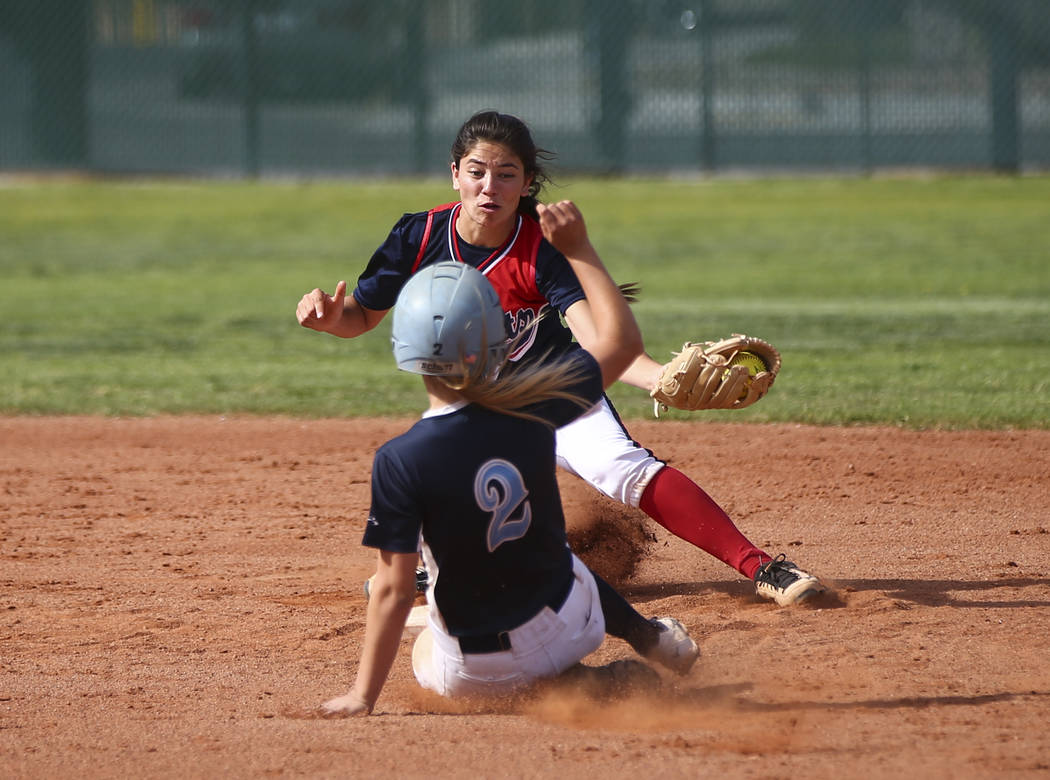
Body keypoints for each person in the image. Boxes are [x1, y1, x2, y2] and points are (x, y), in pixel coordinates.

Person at [296, 110, 823, 608]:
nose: (489, 186)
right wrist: (327, 317)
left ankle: (761, 567)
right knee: (430, 474)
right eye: (477, 171)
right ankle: (452, 562)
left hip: (559, 391)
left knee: (623, 471)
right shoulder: (419, 235)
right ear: (454, 174)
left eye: (506, 174)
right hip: (480, 406)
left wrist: (658, 377)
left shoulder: (541, 246)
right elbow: (360, 315)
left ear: (527, 183)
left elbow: (597, 339)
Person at [320, 204, 698, 715]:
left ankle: (553, 686)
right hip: (563, 630)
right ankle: (646, 639)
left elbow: (389, 591)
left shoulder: (398, 459)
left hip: (468, 676)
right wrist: (580, 249)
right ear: (497, 345)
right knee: (562, 561)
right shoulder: (536, 415)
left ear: (402, 350)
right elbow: (622, 343)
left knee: (425, 635)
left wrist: (361, 697)